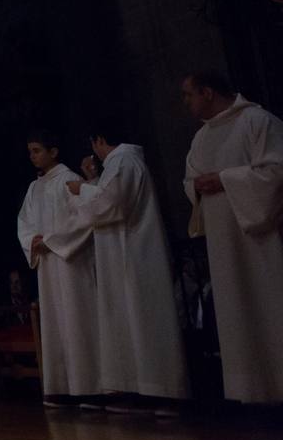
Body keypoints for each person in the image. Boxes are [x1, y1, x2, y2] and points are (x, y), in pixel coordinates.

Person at [69, 122, 189, 411]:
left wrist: (82, 188)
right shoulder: (119, 163)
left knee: (143, 317)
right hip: (119, 253)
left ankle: (161, 391)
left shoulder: (123, 160)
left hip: (134, 254)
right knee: (125, 319)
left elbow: (113, 204)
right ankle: (134, 388)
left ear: (99, 140)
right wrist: (91, 180)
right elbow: (108, 197)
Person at [182, 71, 283, 404]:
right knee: (236, 312)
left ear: (208, 92)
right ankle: (252, 392)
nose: (186, 102)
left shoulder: (257, 121)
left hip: (260, 238)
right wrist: (197, 186)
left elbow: (275, 173)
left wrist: (225, 179)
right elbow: (190, 178)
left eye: (189, 94)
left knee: (271, 304)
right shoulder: (201, 138)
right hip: (223, 241)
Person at [16, 133, 101, 405]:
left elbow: (83, 219)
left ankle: (89, 386)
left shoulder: (69, 179)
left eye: (37, 150)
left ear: (54, 151)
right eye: (30, 151)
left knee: (78, 319)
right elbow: (24, 221)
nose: (33, 156)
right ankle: (62, 386)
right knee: (55, 323)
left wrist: (51, 240)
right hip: (48, 263)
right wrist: (33, 241)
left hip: (70, 260)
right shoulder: (35, 187)